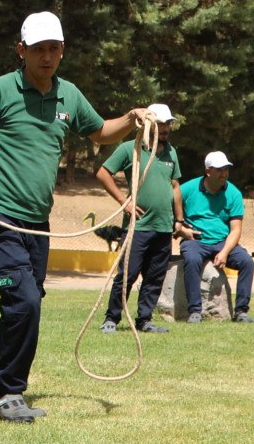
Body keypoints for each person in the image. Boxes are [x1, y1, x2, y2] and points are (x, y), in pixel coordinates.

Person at [0, 11, 148, 423]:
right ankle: (7, 392)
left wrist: (132, 120)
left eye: (53, 48)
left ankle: (7, 389)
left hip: (37, 223)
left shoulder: (68, 96)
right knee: (22, 299)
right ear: (21, 50)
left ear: (63, 50)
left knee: (27, 302)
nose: (46, 57)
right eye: (38, 49)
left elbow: (100, 133)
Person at [94, 102, 183, 334]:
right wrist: (125, 202)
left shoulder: (171, 152)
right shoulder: (129, 149)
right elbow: (103, 173)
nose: (166, 129)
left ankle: (145, 319)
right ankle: (111, 318)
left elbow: (175, 185)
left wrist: (179, 219)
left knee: (155, 277)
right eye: (161, 124)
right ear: (148, 124)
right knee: (127, 275)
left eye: (168, 124)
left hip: (163, 227)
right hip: (138, 226)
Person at [177, 151, 254, 324]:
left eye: (226, 169)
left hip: (222, 242)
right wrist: (181, 229)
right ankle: (195, 312)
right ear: (208, 171)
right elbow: (168, 210)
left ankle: (241, 311)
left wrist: (225, 252)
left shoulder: (233, 193)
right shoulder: (187, 189)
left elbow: (235, 230)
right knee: (192, 259)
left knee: (247, 262)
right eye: (219, 170)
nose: (224, 173)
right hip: (195, 241)